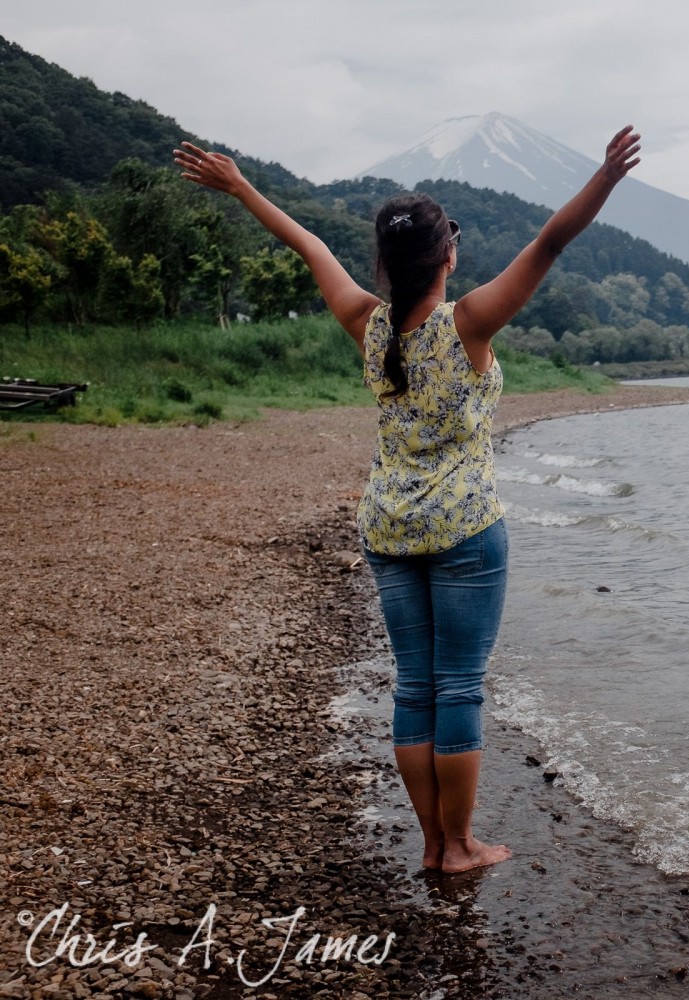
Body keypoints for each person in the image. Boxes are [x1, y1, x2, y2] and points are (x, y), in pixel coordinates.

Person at [175, 125, 642, 873]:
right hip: (465, 531)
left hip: (388, 527)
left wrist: (240, 188)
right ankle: (459, 845)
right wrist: (608, 176)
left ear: (385, 265)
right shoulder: (469, 324)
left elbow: (308, 246)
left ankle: (432, 843)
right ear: (448, 255)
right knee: (458, 685)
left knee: (415, 684)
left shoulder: (367, 323)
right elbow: (551, 241)